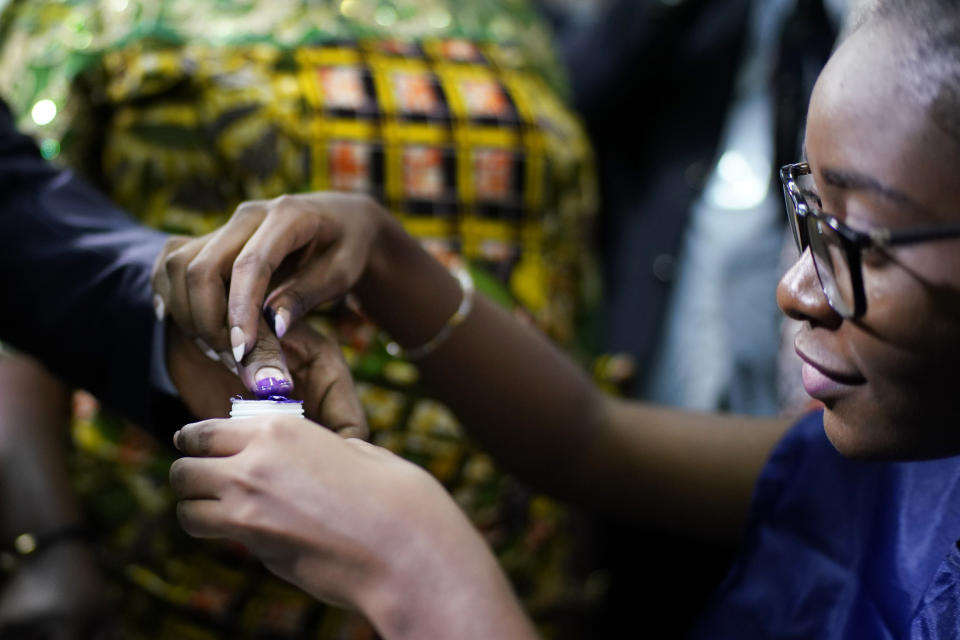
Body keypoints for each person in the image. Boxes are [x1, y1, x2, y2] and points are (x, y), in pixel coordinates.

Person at [163, 0, 960, 636]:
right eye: (810, 210)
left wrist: (416, 566)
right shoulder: (899, 466)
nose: (797, 290)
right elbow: (588, 441)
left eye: (861, 242)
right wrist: (380, 253)